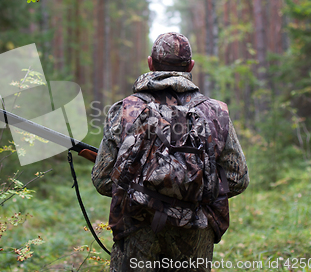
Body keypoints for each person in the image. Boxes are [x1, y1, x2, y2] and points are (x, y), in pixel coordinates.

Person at [91, 32, 249, 272]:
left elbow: (102, 181)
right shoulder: (216, 112)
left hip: (136, 230)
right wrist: (193, 190)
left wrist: (144, 190)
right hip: (196, 231)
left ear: (150, 63)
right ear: (191, 66)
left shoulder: (124, 110)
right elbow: (238, 180)